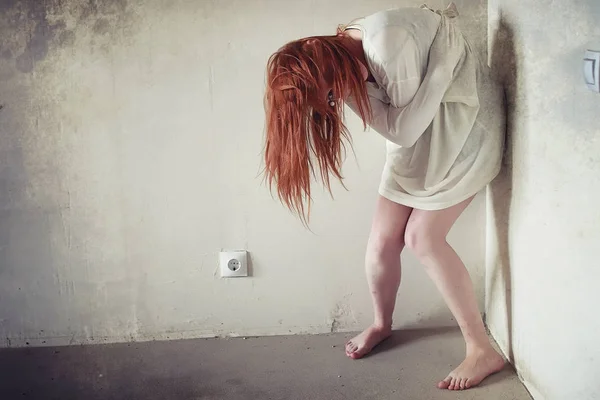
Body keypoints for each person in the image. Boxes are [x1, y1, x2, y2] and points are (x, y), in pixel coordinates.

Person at [262, 2, 506, 391]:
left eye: (329, 91)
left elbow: (403, 128)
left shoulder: (386, 39)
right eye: (327, 99)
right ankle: (381, 324)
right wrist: (438, 73)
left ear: (315, 46)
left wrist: (443, 72)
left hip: (465, 129)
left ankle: (481, 349)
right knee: (380, 244)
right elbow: (400, 129)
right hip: (421, 141)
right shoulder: (340, 68)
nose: (335, 99)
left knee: (421, 239)